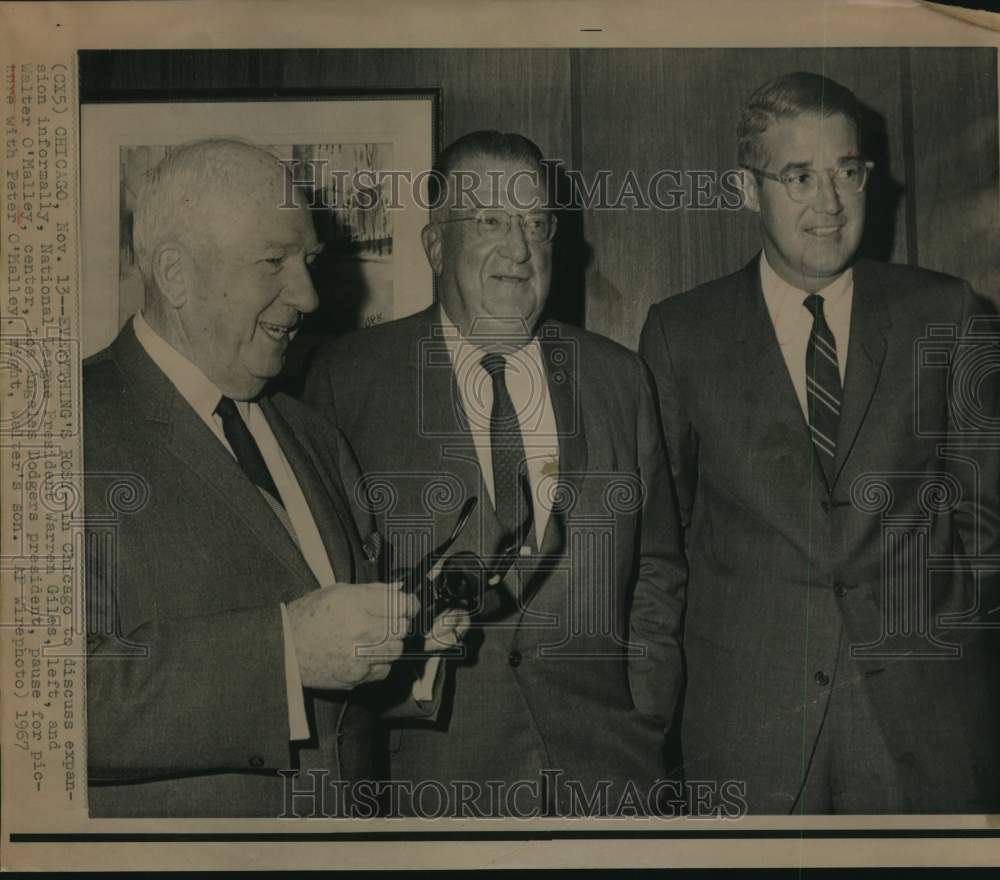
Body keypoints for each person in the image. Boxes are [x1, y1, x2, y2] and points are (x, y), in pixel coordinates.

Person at [639, 72, 1000, 813]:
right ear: (748, 190)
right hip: (749, 727)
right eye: (799, 177)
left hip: (922, 727)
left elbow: (987, 526)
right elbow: (662, 545)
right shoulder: (682, 334)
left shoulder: (949, 313)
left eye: (847, 172)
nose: (829, 204)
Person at [305, 131, 687, 817]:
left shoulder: (619, 379)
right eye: (489, 222)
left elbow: (656, 571)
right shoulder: (347, 381)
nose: (519, 250)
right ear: (434, 246)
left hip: (604, 779)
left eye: (535, 225)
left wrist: (646, 717)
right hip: (429, 784)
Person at [84, 139, 464, 818]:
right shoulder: (56, 432)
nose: (309, 294)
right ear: (174, 274)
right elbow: (39, 699)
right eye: (274, 262)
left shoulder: (311, 434)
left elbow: (336, 692)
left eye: (309, 261)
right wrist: (285, 652)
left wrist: (402, 645)